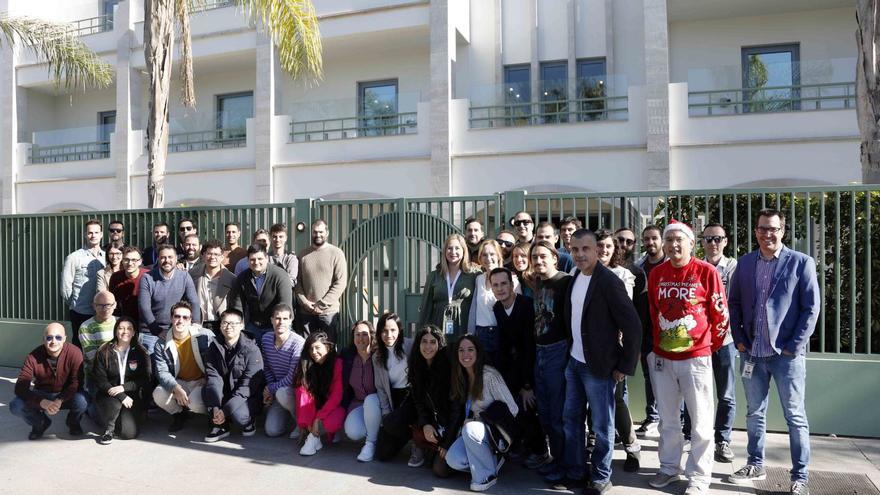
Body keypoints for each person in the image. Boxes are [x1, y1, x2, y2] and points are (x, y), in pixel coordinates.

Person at [727, 209, 819, 495]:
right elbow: (735, 305)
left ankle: (800, 476)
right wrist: (740, 341)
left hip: (785, 357)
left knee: (795, 416)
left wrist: (794, 347)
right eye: (762, 228)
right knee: (754, 413)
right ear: (755, 231)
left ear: (783, 231)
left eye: (773, 229)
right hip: (752, 354)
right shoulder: (744, 264)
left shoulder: (801, 263)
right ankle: (756, 463)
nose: (768, 234)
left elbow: (810, 308)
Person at [647, 220, 729, 495]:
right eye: (668, 240)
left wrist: (706, 346)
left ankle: (699, 477)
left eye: (679, 239)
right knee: (668, 420)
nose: (673, 245)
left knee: (702, 422)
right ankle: (669, 468)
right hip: (662, 358)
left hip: (696, 359)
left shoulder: (707, 272)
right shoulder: (656, 274)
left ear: (692, 243)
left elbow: (721, 315)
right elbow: (652, 311)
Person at [561, 229, 642, 494]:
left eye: (585, 249)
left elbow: (632, 327)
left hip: (599, 368)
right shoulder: (574, 277)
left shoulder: (609, 281)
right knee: (571, 420)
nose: (579, 254)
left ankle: (600, 476)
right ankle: (575, 471)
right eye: (574, 249)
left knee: (602, 426)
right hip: (574, 363)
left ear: (597, 250)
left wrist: (623, 367)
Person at [443, 335, 519, 492]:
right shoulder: (461, 377)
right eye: (461, 350)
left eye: (470, 350)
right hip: (474, 434)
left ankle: (486, 476)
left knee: (470, 429)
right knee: (453, 459)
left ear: (478, 352)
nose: (466, 354)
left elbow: (513, 408)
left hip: (494, 434)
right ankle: (489, 462)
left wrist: (483, 419)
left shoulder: (489, 375)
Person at [689, 223, 738, 464]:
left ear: (725, 241)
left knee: (726, 393)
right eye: (708, 239)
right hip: (699, 340)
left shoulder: (734, 268)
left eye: (717, 238)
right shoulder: (696, 268)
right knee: (695, 391)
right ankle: (693, 436)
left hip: (726, 340)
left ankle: (723, 440)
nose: (712, 243)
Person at [594, 229, 642, 472]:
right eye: (599, 246)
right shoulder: (579, 273)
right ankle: (596, 446)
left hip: (614, 347)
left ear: (615, 250)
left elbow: (626, 316)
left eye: (608, 247)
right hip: (587, 349)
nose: (603, 251)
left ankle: (632, 448)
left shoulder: (623, 275)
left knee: (617, 400)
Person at [490, 267, 545, 470]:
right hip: (513, 366)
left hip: (532, 366)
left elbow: (529, 348)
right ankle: (521, 445)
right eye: (495, 285)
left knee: (528, 405)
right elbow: (504, 345)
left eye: (504, 283)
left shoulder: (526, 305)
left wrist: (526, 384)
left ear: (512, 285)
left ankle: (540, 451)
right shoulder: (497, 308)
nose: (500, 288)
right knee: (509, 406)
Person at [529, 240, 571, 486]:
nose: (538, 261)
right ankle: (555, 459)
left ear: (555, 257)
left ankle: (566, 466)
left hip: (558, 352)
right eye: (534, 257)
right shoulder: (538, 283)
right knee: (545, 414)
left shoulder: (565, 282)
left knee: (558, 416)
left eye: (543, 256)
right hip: (540, 352)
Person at [11, 323, 87, 440]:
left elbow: (76, 383)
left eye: (58, 337)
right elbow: (20, 387)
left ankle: (73, 422)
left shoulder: (75, 353)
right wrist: (41, 402)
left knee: (83, 400)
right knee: (16, 405)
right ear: (44, 339)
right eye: (49, 337)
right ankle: (40, 423)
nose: (53, 341)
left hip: (66, 395)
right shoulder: (33, 356)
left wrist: (60, 399)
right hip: (42, 394)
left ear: (65, 338)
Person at [203, 309, 265, 442]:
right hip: (224, 393)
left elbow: (247, 387)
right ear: (220, 325)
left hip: (246, 396)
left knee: (240, 416)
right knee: (206, 392)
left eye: (233, 323)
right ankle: (221, 426)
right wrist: (215, 407)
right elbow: (213, 378)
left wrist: (225, 411)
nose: (228, 327)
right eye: (225, 323)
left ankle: (249, 421)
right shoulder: (213, 346)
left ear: (242, 325)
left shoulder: (252, 350)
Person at [152, 302, 214, 432]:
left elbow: (217, 363)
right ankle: (179, 414)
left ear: (191, 320)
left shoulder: (205, 335)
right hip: (180, 381)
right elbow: (162, 372)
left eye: (185, 317)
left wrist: (208, 378)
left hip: (202, 381)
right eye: (177, 316)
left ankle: (212, 415)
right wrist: (175, 387)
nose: (181, 320)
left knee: (195, 403)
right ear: (171, 318)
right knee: (158, 394)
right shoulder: (161, 344)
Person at [92, 317, 151, 444]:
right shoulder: (104, 350)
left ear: (134, 332)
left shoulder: (141, 352)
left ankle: (110, 418)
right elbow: (100, 380)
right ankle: (108, 430)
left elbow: (146, 379)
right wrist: (121, 395)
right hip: (108, 393)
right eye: (121, 328)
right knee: (114, 405)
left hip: (131, 396)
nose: (125, 331)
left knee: (129, 433)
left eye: (129, 328)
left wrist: (125, 388)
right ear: (116, 331)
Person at [138, 244, 201, 353]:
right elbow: (144, 308)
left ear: (176, 259)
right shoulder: (147, 278)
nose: (167, 260)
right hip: (151, 331)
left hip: (176, 329)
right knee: (151, 368)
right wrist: (157, 331)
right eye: (163, 257)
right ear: (158, 259)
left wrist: (195, 323)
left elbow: (193, 301)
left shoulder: (184, 276)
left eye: (170, 257)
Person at [408, 325, 453, 477]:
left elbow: (456, 409)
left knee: (440, 470)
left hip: (451, 427)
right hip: (434, 424)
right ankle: (426, 447)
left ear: (439, 344)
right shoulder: (416, 366)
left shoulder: (448, 368)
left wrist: (447, 441)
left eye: (433, 342)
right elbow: (418, 402)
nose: (428, 346)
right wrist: (426, 423)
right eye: (424, 341)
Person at [372, 312, 417, 464]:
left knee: (393, 423)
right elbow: (381, 388)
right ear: (379, 332)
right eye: (384, 330)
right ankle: (408, 436)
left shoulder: (410, 346)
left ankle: (418, 444)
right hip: (394, 397)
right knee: (382, 453)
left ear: (399, 331)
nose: (388, 335)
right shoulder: (377, 356)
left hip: (411, 396)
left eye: (393, 330)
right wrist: (386, 413)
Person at [635, 224, 666, 437]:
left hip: (668, 329)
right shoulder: (639, 267)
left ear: (661, 240)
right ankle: (652, 416)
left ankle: (676, 418)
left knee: (671, 377)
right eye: (646, 239)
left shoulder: (670, 263)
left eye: (654, 238)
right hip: (646, 330)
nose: (650, 242)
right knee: (649, 376)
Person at [228, 243, 293, 345]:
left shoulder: (280, 275)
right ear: (247, 260)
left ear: (266, 258)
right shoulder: (242, 278)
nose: (256, 262)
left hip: (275, 325)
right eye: (252, 259)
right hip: (254, 325)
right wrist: (237, 327)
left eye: (260, 259)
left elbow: (285, 305)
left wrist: (281, 330)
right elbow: (237, 306)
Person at [295, 219, 347, 341]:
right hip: (306, 312)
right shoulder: (303, 254)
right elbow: (297, 282)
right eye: (315, 232)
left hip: (328, 313)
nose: (318, 235)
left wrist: (322, 304)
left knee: (328, 348)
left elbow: (340, 282)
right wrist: (304, 302)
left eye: (321, 232)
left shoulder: (336, 253)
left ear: (327, 233)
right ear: (311, 233)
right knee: (306, 349)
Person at [468, 240, 518, 365]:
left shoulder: (510, 278)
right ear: (480, 258)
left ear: (498, 256)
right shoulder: (479, 279)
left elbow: (517, 311)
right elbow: (474, 308)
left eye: (492, 254)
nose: (488, 258)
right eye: (484, 255)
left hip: (501, 334)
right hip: (481, 334)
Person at [417, 233, 477, 338]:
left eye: (457, 248)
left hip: (464, 327)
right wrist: (421, 334)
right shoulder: (434, 276)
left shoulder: (473, 274)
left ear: (464, 251)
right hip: (438, 327)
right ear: (444, 251)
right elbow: (426, 308)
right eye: (449, 248)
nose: (453, 252)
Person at [295, 332, 345, 456]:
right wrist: (309, 422)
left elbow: (337, 396)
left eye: (317, 348)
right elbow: (303, 395)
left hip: (333, 406)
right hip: (313, 406)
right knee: (300, 391)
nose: (314, 352)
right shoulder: (306, 364)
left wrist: (318, 418)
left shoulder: (337, 364)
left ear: (327, 348)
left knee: (333, 421)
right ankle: (310, 433)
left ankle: (313, 437)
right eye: (311, 349)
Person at [262, 303, 306, 438]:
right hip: (277, 390)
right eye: (277, 318)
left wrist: (271, 388)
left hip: (294, 390)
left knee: (282, 393)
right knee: (272, 431)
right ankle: (287, 417)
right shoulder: (266, 339)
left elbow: (292, 378)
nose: (281, 322)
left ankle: (301, 424)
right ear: (271, 320)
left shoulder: (298, 343)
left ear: (291, 320)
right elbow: (267, 368)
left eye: (285, 319)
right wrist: (270, 387)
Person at [61, 219, 105, 346]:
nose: (93, 235)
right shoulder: (74, 257)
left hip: (102, 312)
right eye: (90, 233)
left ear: (101, 234)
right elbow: (65, 287)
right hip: (81, 312)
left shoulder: (107, 257)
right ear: (85, 235)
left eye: (96, 232)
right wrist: (75, 305)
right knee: (80, 346)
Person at [342, 320, 381, 462]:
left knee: (371, 400)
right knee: (353, 432)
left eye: (365, 334)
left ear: (371, 336)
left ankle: (370, 443)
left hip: (377, 404)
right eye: (357, 334)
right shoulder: (348, 357)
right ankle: (374, 431)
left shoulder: (379, 356)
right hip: (357, 404)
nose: (361, 338)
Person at [190, 240, 236, 334]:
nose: (212, 257)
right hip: (198, 325)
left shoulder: (231, 279)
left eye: (216, 254)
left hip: (222, 325)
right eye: (209, 254)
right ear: (203, 255)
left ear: (222, 257)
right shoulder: (192, 274)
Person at [78, 291, 118, 396]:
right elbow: (92, 358)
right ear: (93, 306)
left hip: (120, 375)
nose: (105, 308)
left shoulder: (121, 324)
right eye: (100, 305)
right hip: (97, 377)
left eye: (108, 305)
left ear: (115, 305)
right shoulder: (86, 327)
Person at [109, 246, 148, 323]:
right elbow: (113, 302)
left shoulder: (148, 276)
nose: (130, 263)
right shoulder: (115, 277)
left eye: (134, 260)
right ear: (122, 261)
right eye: (126, 260)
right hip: (123, 320)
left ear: (140, 261)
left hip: (144, 321)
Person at [268, 223, 298, 287]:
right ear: (270, 238)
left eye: (281, 236)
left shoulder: (291, 258)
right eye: (274, 237)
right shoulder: (266, 257)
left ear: (286, 238)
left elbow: (291, 281)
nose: (277, 240)